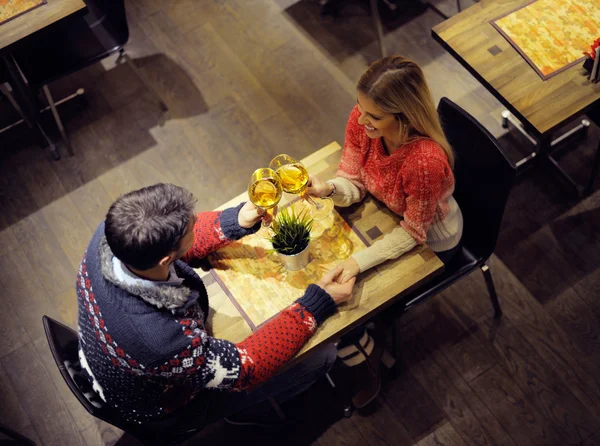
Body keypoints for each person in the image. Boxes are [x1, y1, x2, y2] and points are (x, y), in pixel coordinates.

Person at [76, 183, 355, 430]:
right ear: (166, 259)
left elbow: (182, 248)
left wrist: (238, 219)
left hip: (112, 358)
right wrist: (316, 304)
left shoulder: (113, 233)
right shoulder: (161, 341)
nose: (198, 221)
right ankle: (245, 412)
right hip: (166, 405)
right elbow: (247, 367)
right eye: (191, 228)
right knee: (323, 356)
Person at [308, 56, 463, 407]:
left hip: (431, 240)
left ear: (403, 115)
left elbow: (413, 233)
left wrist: (357, 263)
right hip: (388, 213)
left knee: (358, 304)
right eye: (361, 108)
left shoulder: (423, 160)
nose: (361, 120)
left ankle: (370, 360)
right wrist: (329, 189)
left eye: (374, 116)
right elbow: (354, 180)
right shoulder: (363, 120)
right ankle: (357, 346)